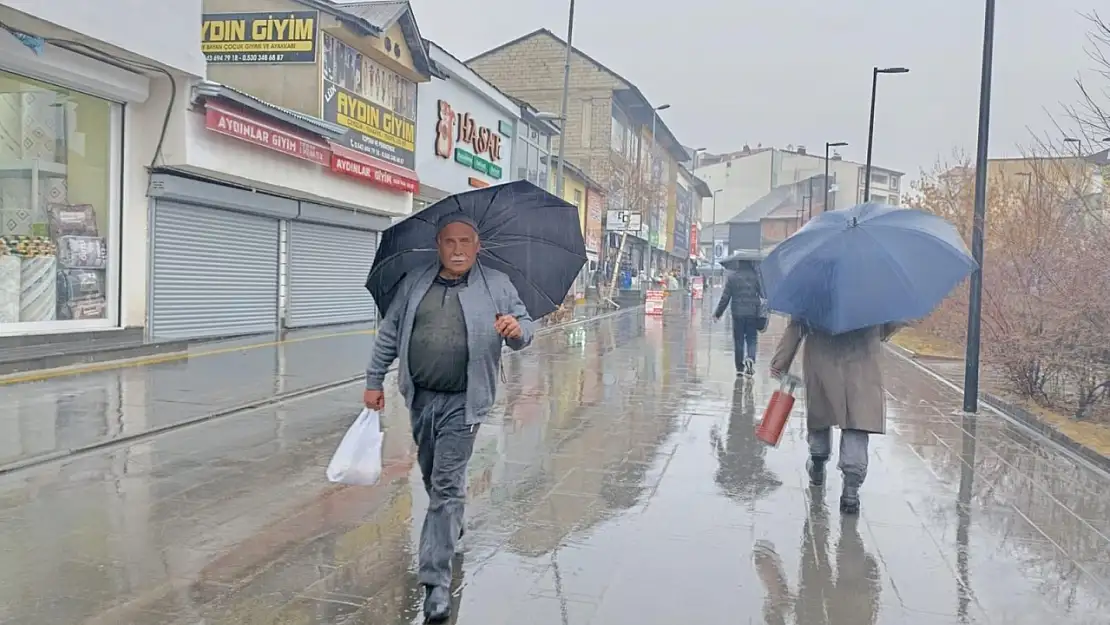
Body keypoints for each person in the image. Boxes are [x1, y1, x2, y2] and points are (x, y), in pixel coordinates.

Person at [363, 212, 534, 622]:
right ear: (438, 246)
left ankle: (435, 585)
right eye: (449, 242)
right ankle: (450, 526)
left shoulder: (498, 285)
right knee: (430, 472)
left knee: (445, 487)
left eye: (465, 242)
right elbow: (390, 332)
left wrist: (516, 330)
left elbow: (525, 326)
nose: (457, 250)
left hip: (465, 401)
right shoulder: (414, 283)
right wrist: (373, 380)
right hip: (420, 397)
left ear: (478, 247)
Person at [769, 318, 902, 514]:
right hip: (861, 361)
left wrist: (780, 363)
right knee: (857, 420)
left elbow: (797, 325)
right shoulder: (874, 291)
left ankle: (817, 461)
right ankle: (851, 488)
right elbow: (889, 324)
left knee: (820, 414)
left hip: (822, 357)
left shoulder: (815, 289)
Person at [713, 261, 765, 377]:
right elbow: (763, 295)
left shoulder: (732, 277)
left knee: (739, 340)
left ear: (738, 263)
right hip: (752, 312)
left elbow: (725, 298)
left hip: (737, 313)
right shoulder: (756, 276)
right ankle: (750, 358)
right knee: (751, 338)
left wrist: (718, 313)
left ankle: (740, 367)